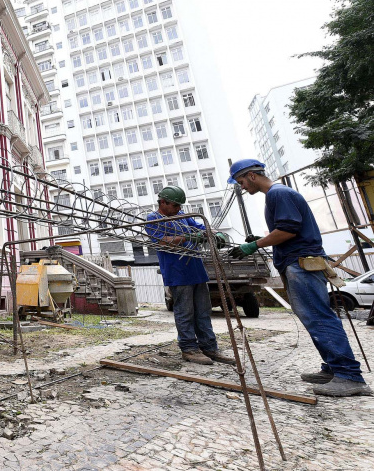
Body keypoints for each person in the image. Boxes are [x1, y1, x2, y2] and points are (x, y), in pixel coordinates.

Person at [227, 159, 372, 397]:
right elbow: (287, 230)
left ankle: (349, 375)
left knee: (319, 318)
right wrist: (262, 239)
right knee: (315, 318)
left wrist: (254, 245)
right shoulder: (277, 195)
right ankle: (334, 368)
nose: (242, 187)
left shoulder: (278, 194)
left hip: (301, 264)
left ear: (252, 176)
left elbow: (288, 230)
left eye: (241, 181)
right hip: (298, 262)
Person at [146, 186, 236, 366]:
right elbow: (163, 242)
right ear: (163, 202)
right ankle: (189, 349)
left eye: (180, 205)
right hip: (177, 272)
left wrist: (214, 234)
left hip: (196, 270)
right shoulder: (153, 219)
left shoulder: (183, 216)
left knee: (203, 311)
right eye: (175, 205)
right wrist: (189, 237)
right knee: (185, 312)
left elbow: (202, 228)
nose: (178, 208)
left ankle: (209, 347)